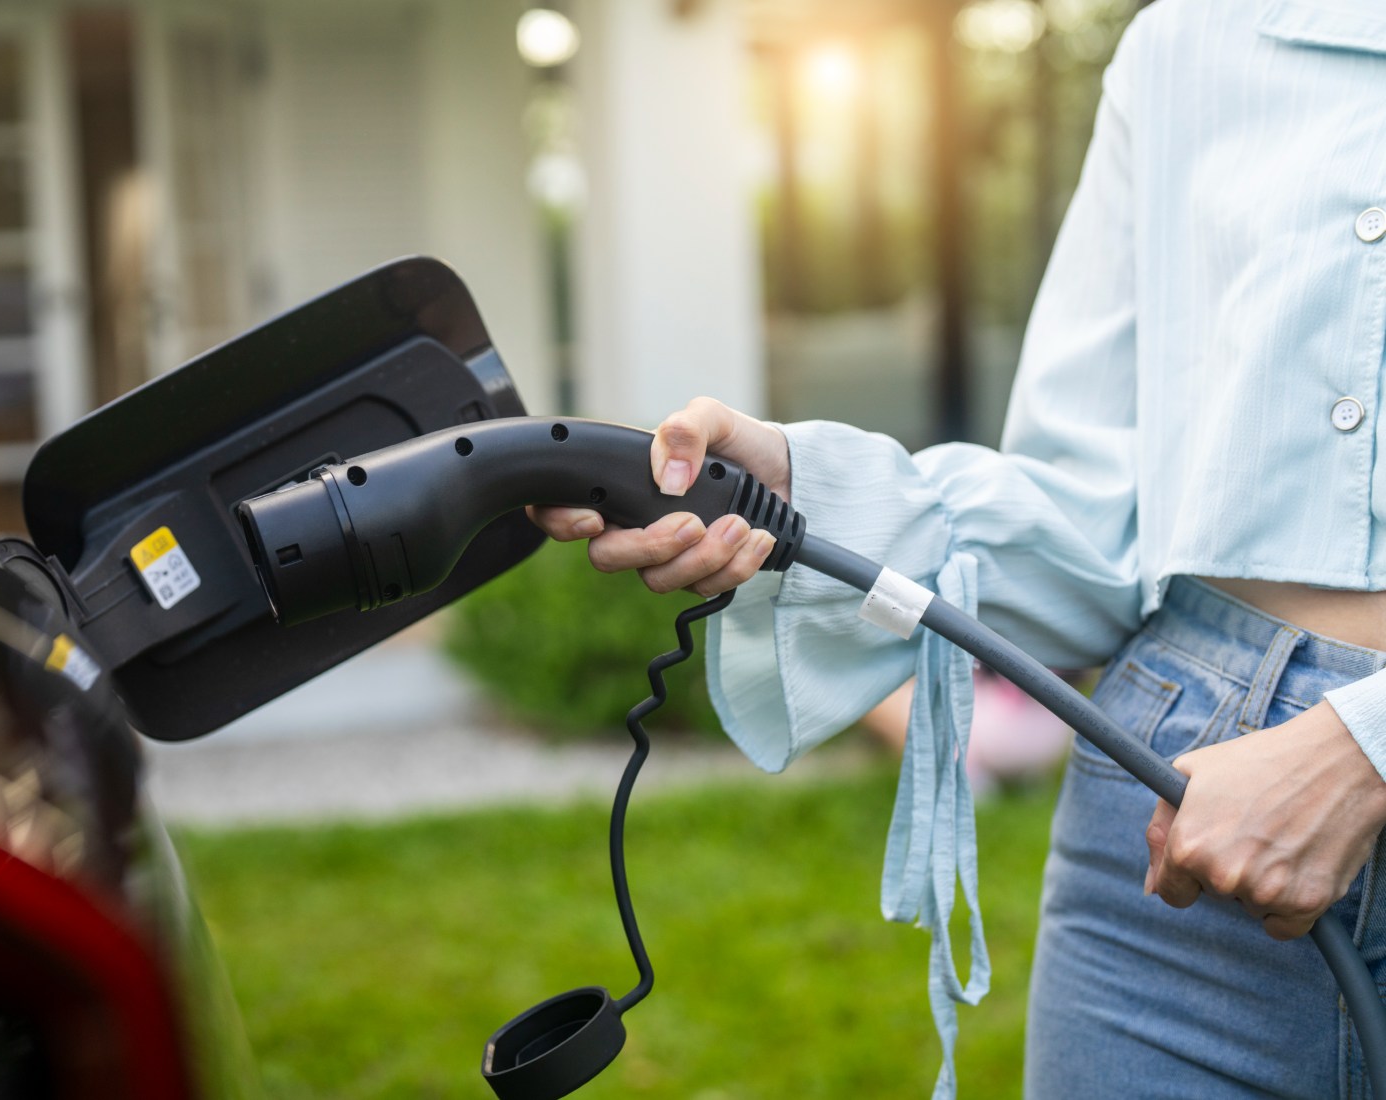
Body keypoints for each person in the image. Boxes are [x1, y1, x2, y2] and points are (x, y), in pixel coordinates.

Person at [530, 2, 1386, 1096]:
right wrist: (797, 493)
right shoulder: (1189, 44)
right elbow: (1090, 512)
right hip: (1175, 844)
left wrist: (1363, 743)